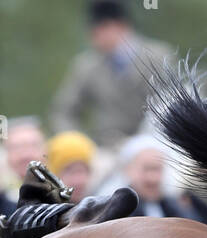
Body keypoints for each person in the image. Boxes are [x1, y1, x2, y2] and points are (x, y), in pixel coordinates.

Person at [50, 1, 173, 150]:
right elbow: (63, 111)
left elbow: (177, 102)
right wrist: (80, 145)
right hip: (108, 149)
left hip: (155, 145)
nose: (94, 38)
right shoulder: (86, 65)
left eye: (99, 31)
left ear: (120, 26)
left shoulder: (158, 57)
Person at [120, 134, 207, 227]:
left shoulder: (178, 205)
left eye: (157, 169)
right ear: (128, 170)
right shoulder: (120, 212)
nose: (153, 178)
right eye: (147, 169)